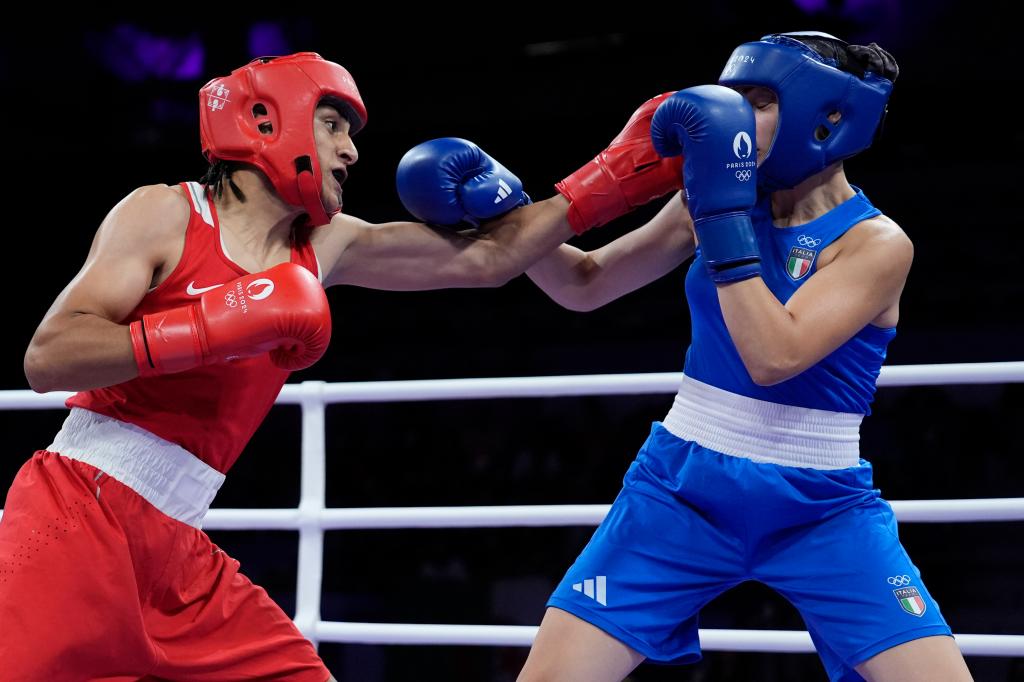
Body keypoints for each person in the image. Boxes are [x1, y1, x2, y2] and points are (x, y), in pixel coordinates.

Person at [0, 52, 681, 681]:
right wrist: (206, 326)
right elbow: (48, 357)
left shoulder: (325, 245)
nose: (351, 149)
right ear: (265, 120)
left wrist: (610, 177)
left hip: (179, 549)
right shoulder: (165, 213)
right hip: (75, 516)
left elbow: (489, 260)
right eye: (332, 125)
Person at [513, 32, 975, 682]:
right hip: (681, 490)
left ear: (828, 117)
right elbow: (584, 284)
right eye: (732, 100)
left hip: (821, 508)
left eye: (758, 102)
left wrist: (720, 213)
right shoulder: (709, 201)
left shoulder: (876, 244)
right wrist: (505, 212)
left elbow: (774, 355)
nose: (731, 120)